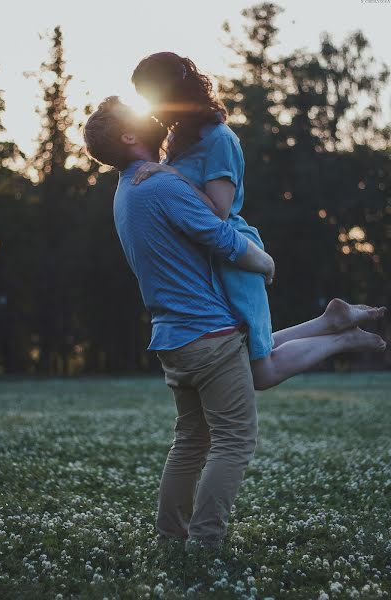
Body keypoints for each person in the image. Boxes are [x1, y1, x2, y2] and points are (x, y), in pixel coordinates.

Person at [83, 96, 386, 553]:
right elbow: (220, 235)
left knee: (190, 441)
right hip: (206, 332)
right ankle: (204, 544)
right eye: (136, 116)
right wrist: (263, 261)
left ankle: (171, 538)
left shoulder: (129, 188)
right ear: (128, 137)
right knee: (235, 440)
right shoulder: (159, 185)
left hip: (175, 336)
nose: (149, 116)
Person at [131, 51, 387, 390]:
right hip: (210, 259)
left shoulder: (218, 138)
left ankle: (340, 339)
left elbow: (218, 211)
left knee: (260, 372)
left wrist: (167, 173)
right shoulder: (178, 138)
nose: (149, 107)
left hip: (235, 257)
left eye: (150, 97)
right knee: (246, 356)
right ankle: (332, 320)